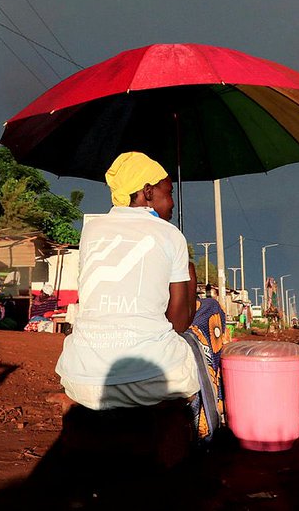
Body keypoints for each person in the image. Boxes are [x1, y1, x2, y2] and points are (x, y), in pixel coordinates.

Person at [55, 151, 225, 442]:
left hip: (79, 377)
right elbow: (179, 323)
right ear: (147, 192)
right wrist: (190, 274)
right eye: (168, 193)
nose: (171, 202)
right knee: (210, 312)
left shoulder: (92, 230)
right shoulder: (170, 235)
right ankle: (206, 429)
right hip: (144, 383)